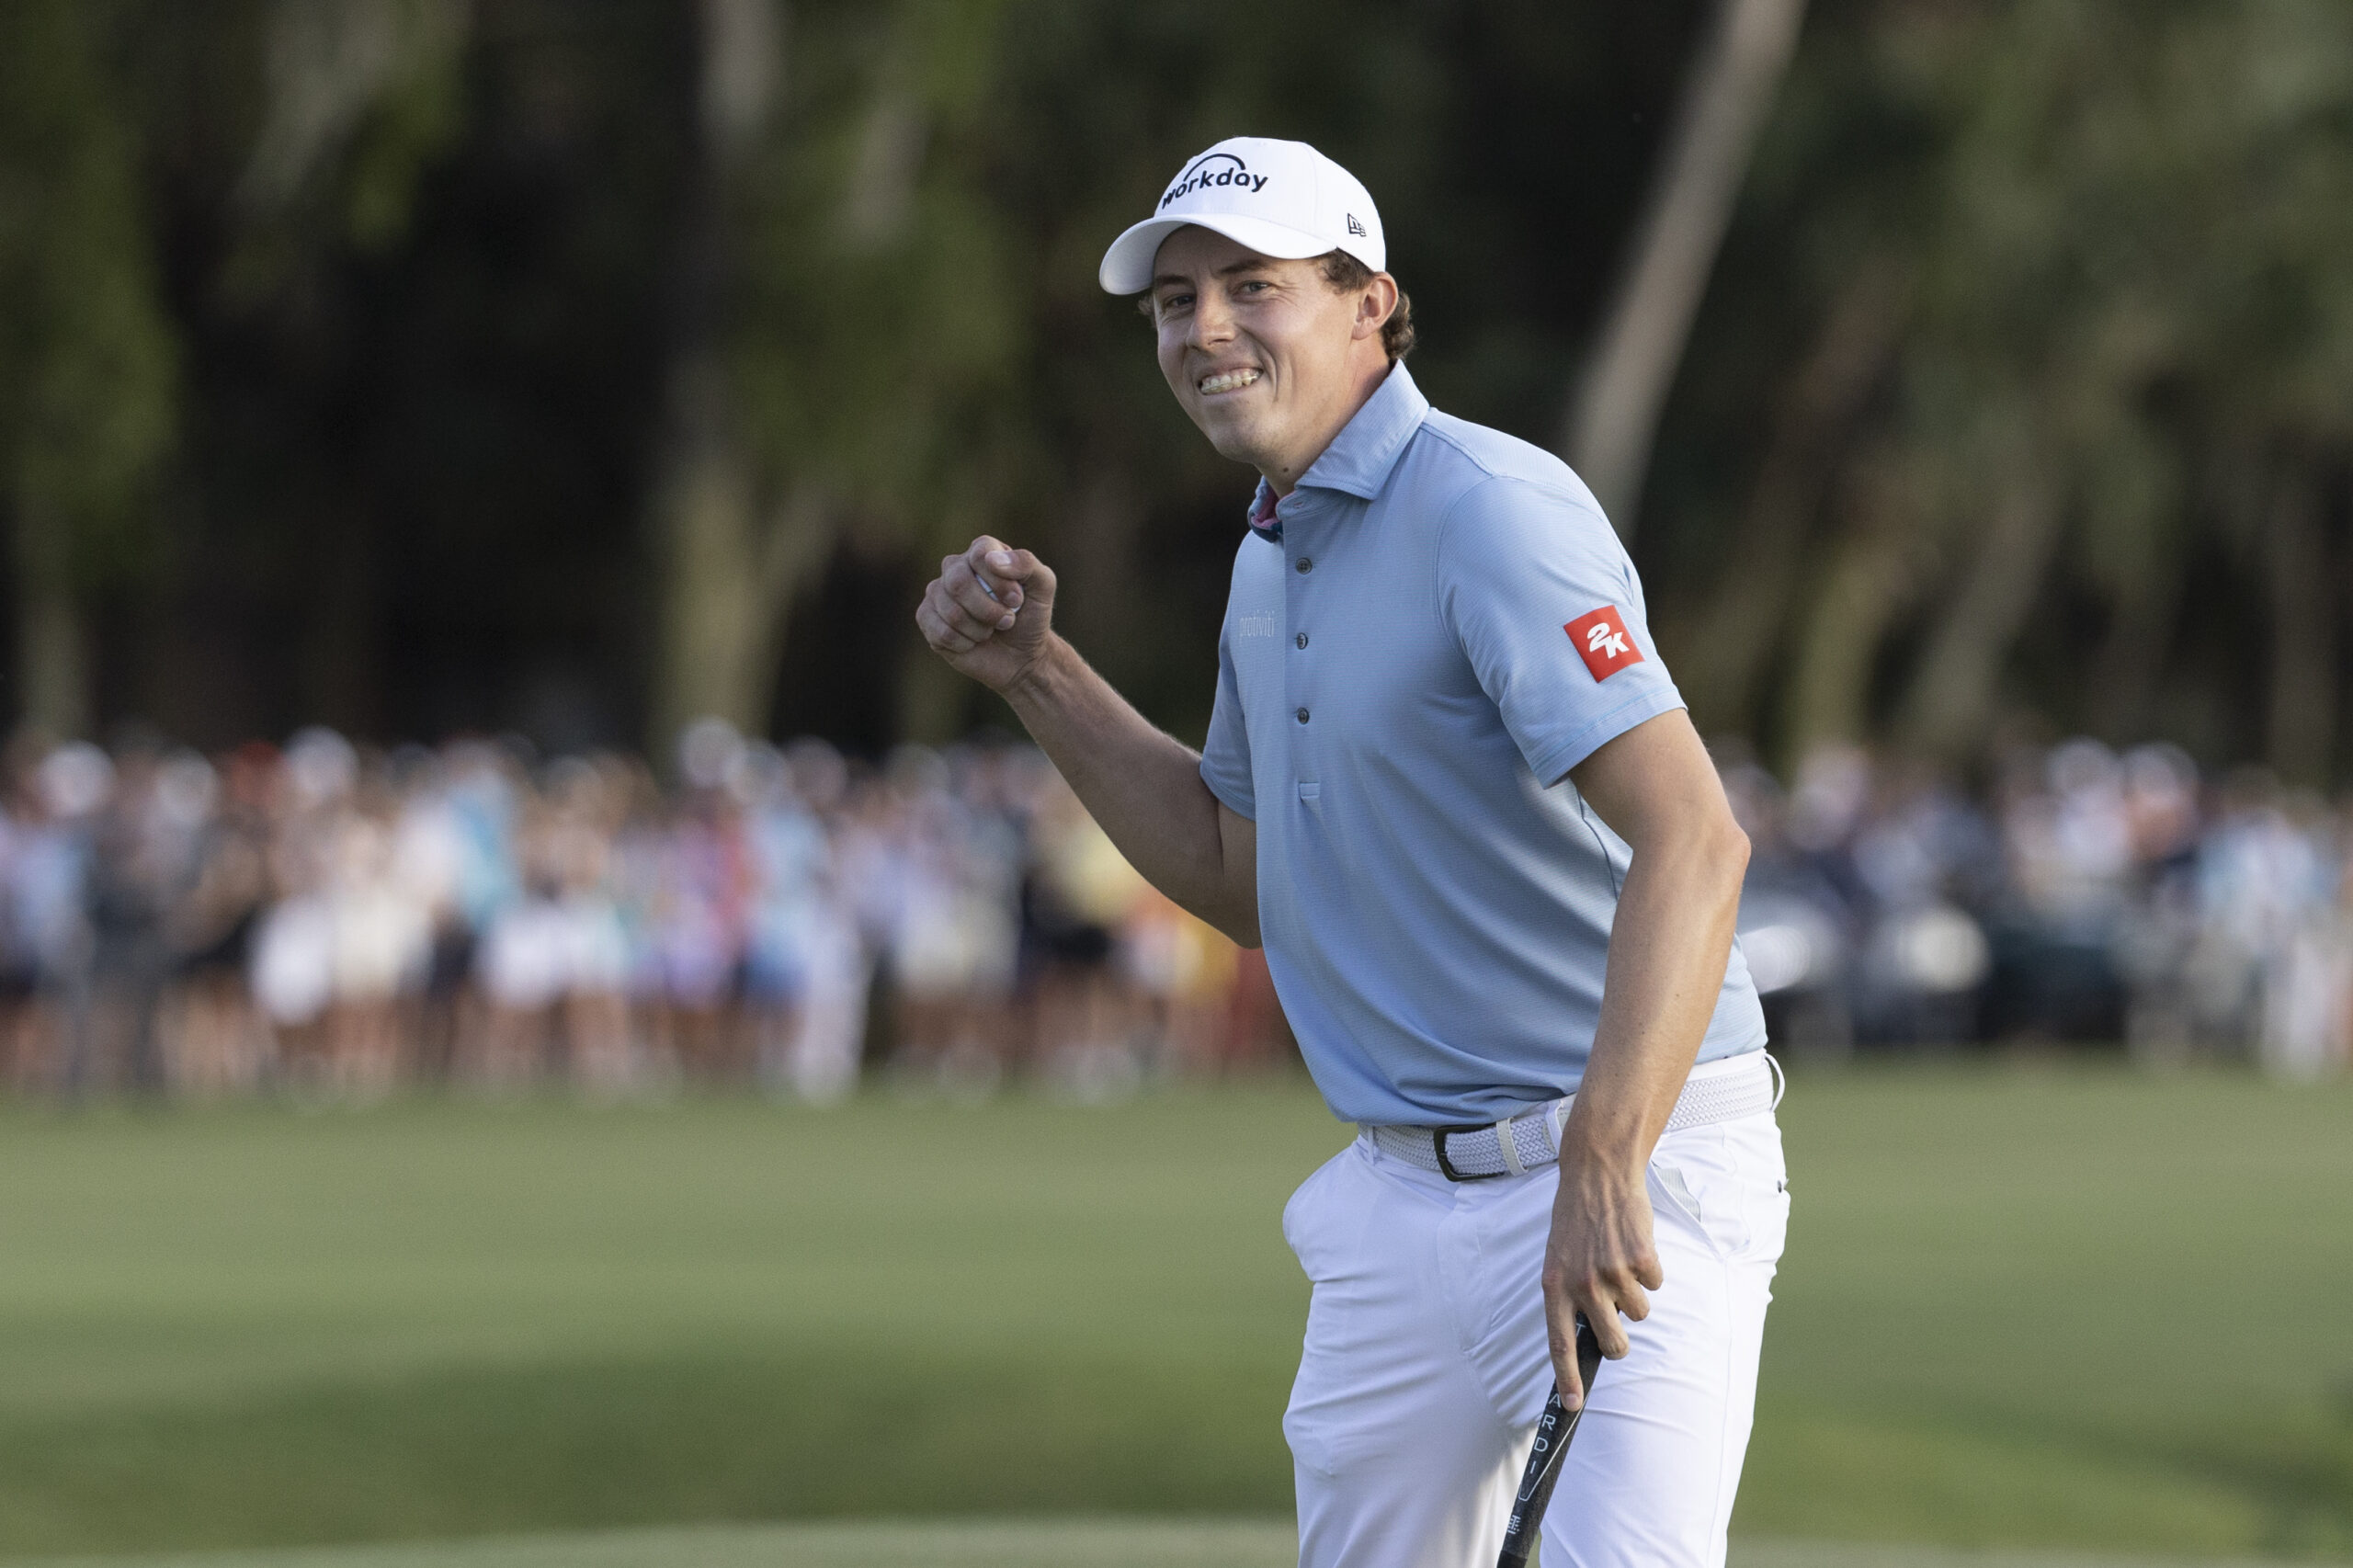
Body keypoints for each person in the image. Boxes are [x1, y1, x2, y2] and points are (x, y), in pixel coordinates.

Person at [918, 136, 1786, 1568]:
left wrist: (1603, 1153)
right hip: (1398, 1197)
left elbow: (1698, 837)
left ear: (1368, 303)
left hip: (1630, 1163)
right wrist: (1037, 674)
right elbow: (1238, 877)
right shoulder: (1270, 554)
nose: (1205, 329)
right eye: (1175, 303)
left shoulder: (1488, 507)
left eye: (1250, 287)